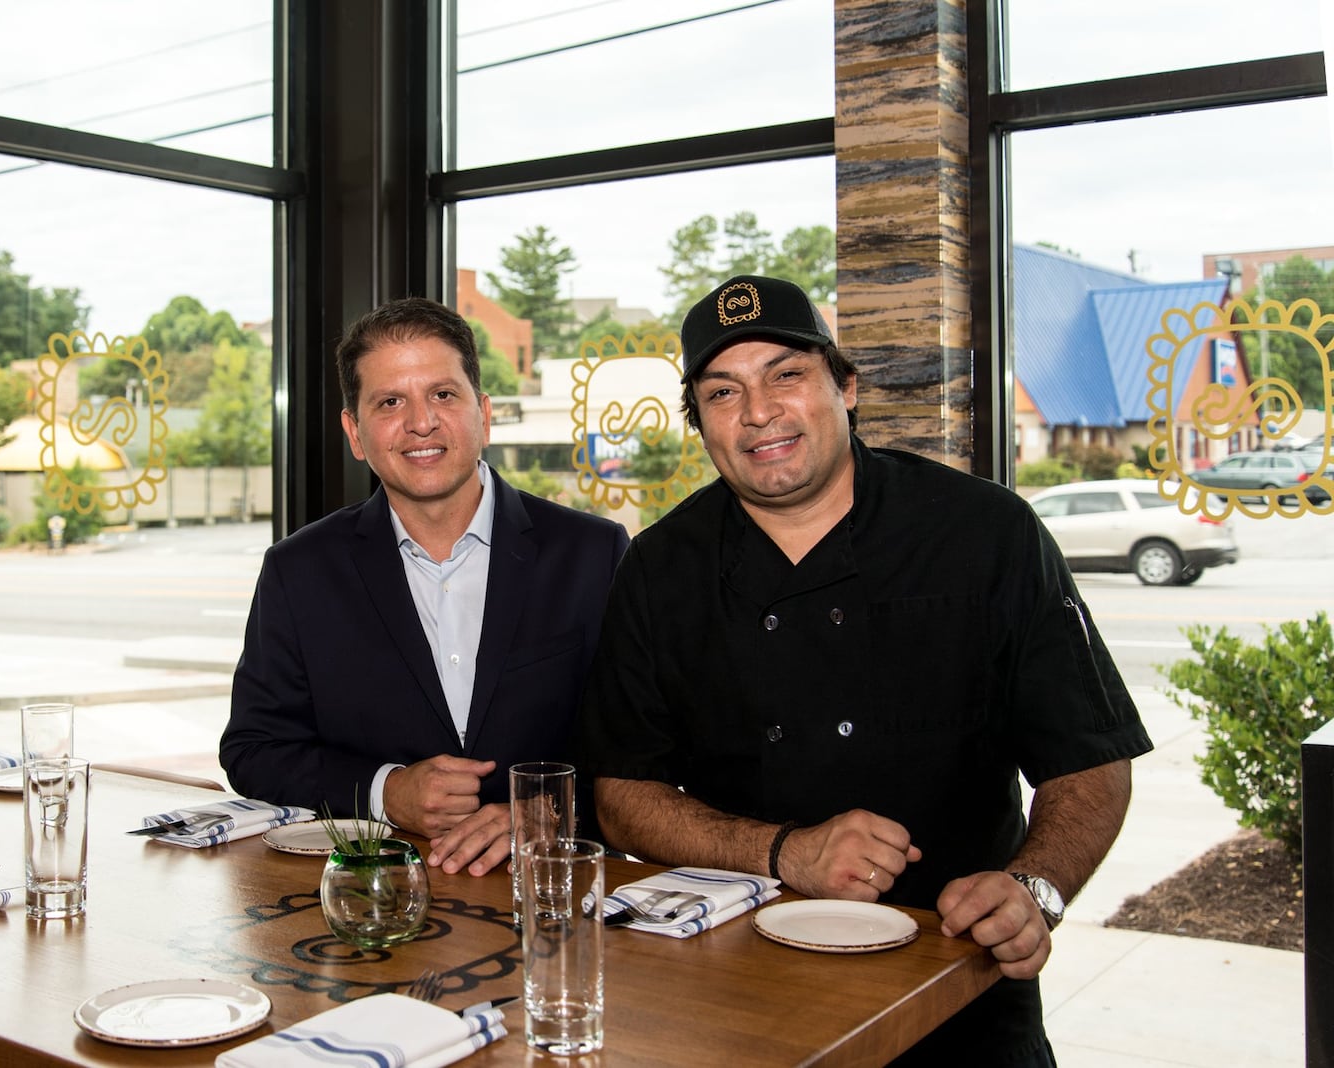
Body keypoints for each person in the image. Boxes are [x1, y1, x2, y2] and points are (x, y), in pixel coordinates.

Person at [576, 274, 1152, 1064]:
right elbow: (621, 798)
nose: (758, 412)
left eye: (787, 374)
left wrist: (1034, 890)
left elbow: (1090, 758)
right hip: (732, 990)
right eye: (721, 392)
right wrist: (786, 852)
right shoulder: (658, 568)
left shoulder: (987, 533)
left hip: (955, 977)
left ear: (845, 386)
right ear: (700, 423)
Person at [222, 296, 629, 877]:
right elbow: (254, 749)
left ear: (483, 413)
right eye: (390, 402)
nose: (421, 422)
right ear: (355, 433)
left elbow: (646, 758)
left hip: (550, 900)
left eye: (443, 394)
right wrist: (385, 792)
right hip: (374, 905)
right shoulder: (299, 570)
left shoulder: (592, 554)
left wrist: (549, 813)